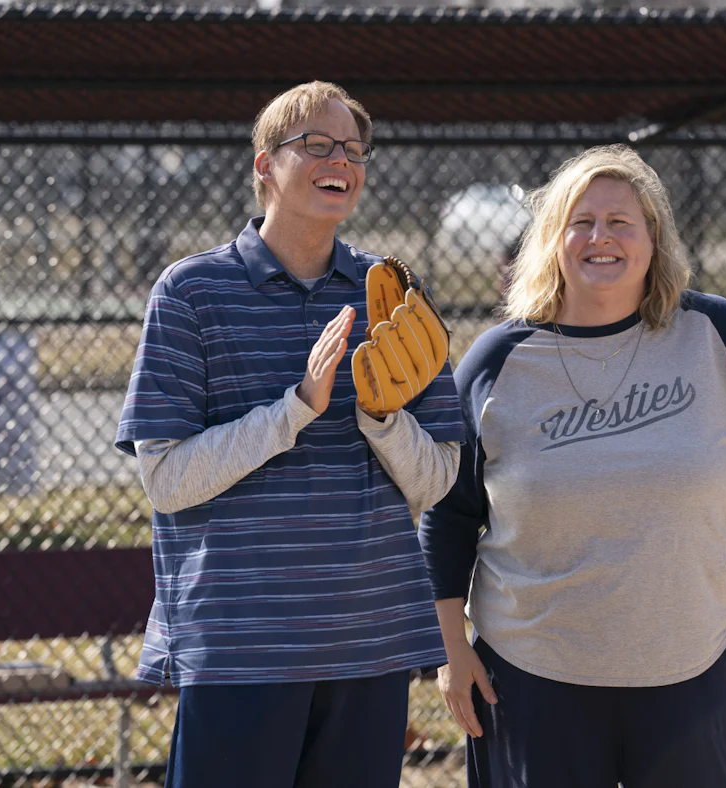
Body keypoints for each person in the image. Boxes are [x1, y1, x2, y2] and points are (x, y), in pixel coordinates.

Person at [418, 145, 726, 788]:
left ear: (654, 238)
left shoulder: (712, 332)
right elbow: (449, 513)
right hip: (533, 675)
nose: (601, 237)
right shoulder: (499, 358)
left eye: (621, 221)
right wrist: (452, 650)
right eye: (582, 221)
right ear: (552, 238)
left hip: (690, 669)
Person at [115, 81, 464, 788]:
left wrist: (382, 418)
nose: (341, 159)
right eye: (316, 145)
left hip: (370, 640)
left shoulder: (391, 290)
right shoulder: (191, 292)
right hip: (241, 646)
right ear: (264, 165)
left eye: (354, 150)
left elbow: (437, 479)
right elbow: (167, 480)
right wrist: (297, 408)